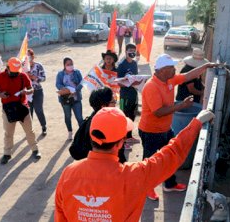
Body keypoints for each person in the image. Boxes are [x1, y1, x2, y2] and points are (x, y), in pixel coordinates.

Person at [55, 107, 214, 221]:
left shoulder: (68, 173)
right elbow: (172, 154)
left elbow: (60, 216)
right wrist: (196, 123)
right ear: (120, 143)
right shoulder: (135, 175)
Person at [138, 54, 218, 200]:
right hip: (150, 131)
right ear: (162, 70)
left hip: (165, 129)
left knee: (170, 157)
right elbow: (158, 112)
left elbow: (187, 76)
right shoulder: (151, 86)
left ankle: (169, 184)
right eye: (171, 67)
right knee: (150, 161)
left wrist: (206, 66)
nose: (174, 69)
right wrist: (181, 105)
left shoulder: (169, 80)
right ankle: (147, 187)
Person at [0, 57, 41, 164]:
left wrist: (26, 92)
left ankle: (35, 150)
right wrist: (1, 95)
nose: (15, 74)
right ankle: (7, 154)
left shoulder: (23, 75)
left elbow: (31, 88)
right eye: (13, 72)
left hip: (22, 106)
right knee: (8, 133)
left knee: (29, 131)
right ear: (7, 67)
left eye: (16, 72)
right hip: (8, 109)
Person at [69, 87, 126, 163]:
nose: (115, 105)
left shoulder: (92, 118)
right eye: (113, 102)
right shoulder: (105, 126)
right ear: (103, 107)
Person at [117, 43, 142, 148]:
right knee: (125, 118)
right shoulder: (121, 65)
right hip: (124, 96)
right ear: (125, 51)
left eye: (134, 51)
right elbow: (119, 82)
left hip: (133, 94)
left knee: (132, 116)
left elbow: (135, 78)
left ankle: (130, 136)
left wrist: (139, 82)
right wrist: (129, 83)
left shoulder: (134, 63)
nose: (132, 53)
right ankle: (124, 141)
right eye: (130, 51)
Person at [56, 57, 83, 140]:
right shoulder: (60, 74)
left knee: (79, 117)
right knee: (67, 116)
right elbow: (58, 84)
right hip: (65, 99)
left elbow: (82, 83)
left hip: (76, 98)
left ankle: (82, 134)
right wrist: (65, 89)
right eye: (68, 64)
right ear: (64, 65)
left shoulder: (77, 72)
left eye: (71, 64)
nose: (70, 66)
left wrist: (76, 89)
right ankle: (70, 132)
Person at [26, 48, 47, 135]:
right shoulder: (22, 67)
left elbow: (44, 77)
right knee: (28, 111)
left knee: (38, 110)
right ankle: (29, 130)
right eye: (26, 56)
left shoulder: (38, 66)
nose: (28, 58)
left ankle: (43, 126)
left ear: (32, 56)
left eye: (29, 56)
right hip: (27, 92)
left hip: (37, 91)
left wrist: (35, 78)